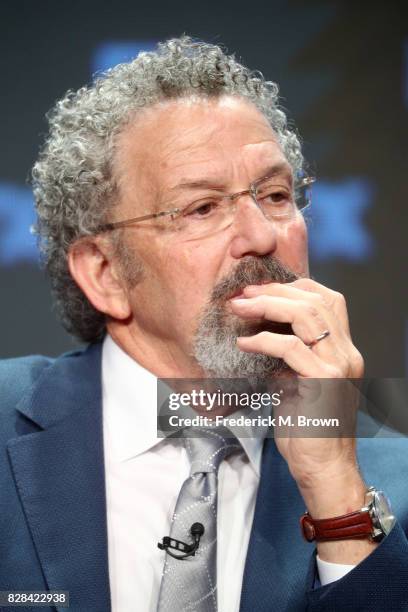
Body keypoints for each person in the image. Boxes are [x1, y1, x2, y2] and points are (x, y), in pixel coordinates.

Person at [1, 36, 407, 612]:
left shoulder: (390, 482)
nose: (263, 236)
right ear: (106, 272)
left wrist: (336, 498)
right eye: (201, 208)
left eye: (275, 195)